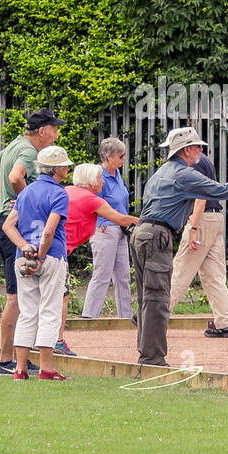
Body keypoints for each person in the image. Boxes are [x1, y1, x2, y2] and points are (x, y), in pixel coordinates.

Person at [131, 127, 228, 367]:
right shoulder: (184, 175)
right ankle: (152, 359)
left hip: (142, 233)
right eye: (197, 146)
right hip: (157, 235)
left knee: (147, 298)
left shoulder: (161, 173)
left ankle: (147, 354)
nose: (201, 150)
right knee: (158, 299)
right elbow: (219, 190)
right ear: (186, 150)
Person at [0, 109, 64, 376]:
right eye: (54, 129)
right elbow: (16, 177)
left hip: (7, 219)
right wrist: (30, 199)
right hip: (16, 222)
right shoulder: (29, 151)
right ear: (41, 131)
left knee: (19, 296)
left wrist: (7, 195)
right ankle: (6, 359)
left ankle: (16, 361)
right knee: (16, 298)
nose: (56, 134)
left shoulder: (14, 144)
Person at [1, 145, 73, 380]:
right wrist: (40, 255)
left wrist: (24, 247)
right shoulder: (60, 193)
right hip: (51, 256)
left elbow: (7, 226)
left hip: (24, 257)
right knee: (50, 310)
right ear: (56, 169)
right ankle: (47, 368)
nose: (67, 169)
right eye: (64, 166)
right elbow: (50, 230)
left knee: (27, 311)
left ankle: (20, 369)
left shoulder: (26, 192)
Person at [56, 162, 137, 353]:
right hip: (58, 249)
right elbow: (121, 218)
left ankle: (46, 340)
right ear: (91, 182)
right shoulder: (91, 199)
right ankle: (57, 339)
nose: (102, 181)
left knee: (53, 295)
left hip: (56, 247)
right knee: (62, 296)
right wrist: (147, 221)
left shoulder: (66, 190)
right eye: (99, 179)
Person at [167, 152, 228, 337]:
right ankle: (224, 324)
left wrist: (193, 227)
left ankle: (156, 315)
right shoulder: (203, 159)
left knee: (181, 270)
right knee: (214, 275)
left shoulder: (193, 162)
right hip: (215, 218)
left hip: (202, 219)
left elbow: (201, 196)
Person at [81, 138, 136, 324]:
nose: (123, 159)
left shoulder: (117, 173)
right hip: (105, 228)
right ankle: (89, 317)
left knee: (123, 276)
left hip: (120, 229)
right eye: (120, 156)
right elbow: (95, 205)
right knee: (102, 274)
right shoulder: (99, 176)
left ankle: (126, 318)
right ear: (109, 156)